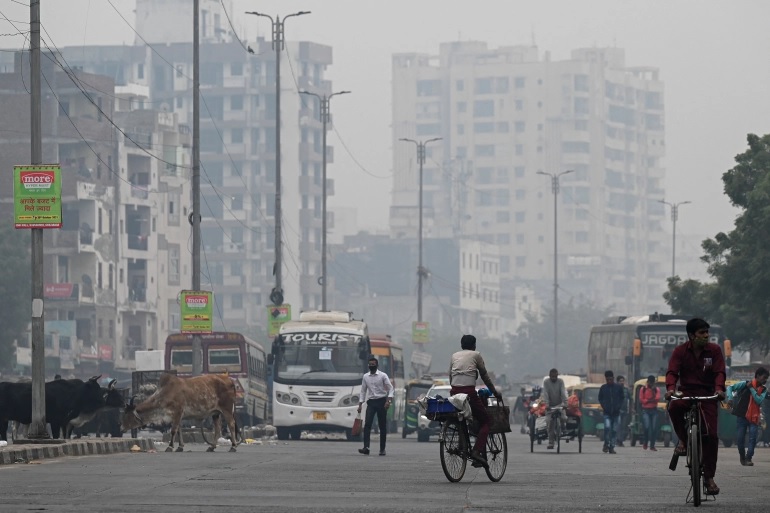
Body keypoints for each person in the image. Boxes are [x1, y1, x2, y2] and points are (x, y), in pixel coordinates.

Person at [665, 318, 726, 496]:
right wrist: (670, 389)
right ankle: (683, 440)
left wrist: (719, 389)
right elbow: (672, 372)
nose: (706, 336)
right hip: (686, 392)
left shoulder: (714, 350)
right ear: (691, 335)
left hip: (708, 395)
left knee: (712, 436)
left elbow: (719, 373)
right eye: (702, 333)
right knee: (674, 407)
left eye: (707, 332)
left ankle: (709, 478)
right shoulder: (680, 351)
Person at [449, 334, 502, 467]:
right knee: (486, 421)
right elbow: (485, 376)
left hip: (454, 393)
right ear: (474, 345)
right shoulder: (476, 355)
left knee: (462, 418)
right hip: (469, 393)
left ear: (461, 345)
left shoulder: (454, 356)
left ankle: (463, 444)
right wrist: (494, 392)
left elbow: (451, 376)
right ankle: (476, 451)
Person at [726, 366, 768, 466]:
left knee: (752, 438)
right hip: (742, 416)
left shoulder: (763, 389)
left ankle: (749, 458)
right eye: (764, 377)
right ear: (757, 376)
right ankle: (742, 456)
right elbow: (730, 387)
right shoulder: (745, 384)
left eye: (766, 378)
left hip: (754, 417)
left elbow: (758, 400)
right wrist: (730, 398)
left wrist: (751, 389)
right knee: (740, 440)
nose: (765, 380)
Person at [357, 356, 394, 456]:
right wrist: (360, 404)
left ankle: (382, 449)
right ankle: (366, 447)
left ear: (377, 365)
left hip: (382, 402)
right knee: (367, 425)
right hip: (371, 402)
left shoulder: (383, 376)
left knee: (382, 426)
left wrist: (388, 401)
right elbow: (363, 391)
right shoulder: (365, 377)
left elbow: (391, 389)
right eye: (370, 364)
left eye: (373, 364)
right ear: (368, 365)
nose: (371, 366)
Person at [599, 370, 624, 454]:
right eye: (607, 380)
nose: (609, 381)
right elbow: (600, 399)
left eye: (610, 379)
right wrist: (604, 406)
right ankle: (606, 444)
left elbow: (622, 398)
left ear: (613, 378)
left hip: (616, 413)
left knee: (614, 430)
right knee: (607, 427)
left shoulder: (618, 387)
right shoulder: (603, 388)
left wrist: (618, 407)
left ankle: (611, 447)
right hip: (607, 413)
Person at [541, 368, 568, 450]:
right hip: (550, 406)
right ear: (549, 376)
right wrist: (547, 404)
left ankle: (563, 428)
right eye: (552, 376)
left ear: (557, 376)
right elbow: (545, 393)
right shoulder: (546, 382)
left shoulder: (560, 381)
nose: (553, 378)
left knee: (563, 418)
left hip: (559, 404)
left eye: (555, 376)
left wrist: (565, 403)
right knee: (549, 423)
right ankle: (551, 442)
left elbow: (563, 392)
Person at [639, 375, 661, 451]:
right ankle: (645, 442)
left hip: (654, 410)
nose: (651, 384)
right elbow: (641, 400)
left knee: (654, 428)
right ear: (648, 382)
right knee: (647, 427)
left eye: (653, 383)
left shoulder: (656, 389)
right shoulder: (643, 389)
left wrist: (652, 393)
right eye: (650, 382)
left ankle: (652, 445)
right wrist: (650, 400)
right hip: (646, 411)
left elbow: (657, 398)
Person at [616, 375, 630, 447]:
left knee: (624, 426)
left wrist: (631, 408)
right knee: (618, 425)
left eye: (623, 381)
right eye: (620, 381)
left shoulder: (626, 390)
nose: (622, 382)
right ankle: (618, 440)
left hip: (625, 411)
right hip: (617, 411)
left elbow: (630, 399)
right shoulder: (615, 390)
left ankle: (620, 440)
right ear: (617, 382)